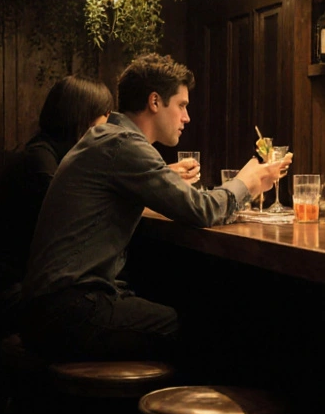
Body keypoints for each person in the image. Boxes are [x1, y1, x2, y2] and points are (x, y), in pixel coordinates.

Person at [20, 53, 291, 362]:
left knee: (191, 311)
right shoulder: (124, 144)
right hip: (70, 310)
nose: (187, 118)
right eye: (182, 105)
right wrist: (248, 182)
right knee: (208, 330)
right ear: (154, 102)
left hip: (49, 306)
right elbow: (200, 209)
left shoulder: (108, 138)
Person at [0, 74, 117, 340]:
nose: (107, 126)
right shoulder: (41, 165)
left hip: (5, 285)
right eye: (104, 116)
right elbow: (69, 228)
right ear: (83, 116)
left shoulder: (46, 153)